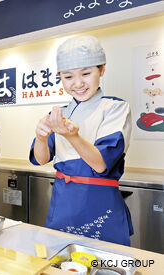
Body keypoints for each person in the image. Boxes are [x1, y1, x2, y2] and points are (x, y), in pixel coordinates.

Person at [29, 35, 133, 245]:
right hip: (63, 202)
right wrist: (41, 137)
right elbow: (41, 160)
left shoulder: (115, 107)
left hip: (99, 202)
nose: (78, 83)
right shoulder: (59, 113)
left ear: (101, 70)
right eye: (68, 77)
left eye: (86, 73)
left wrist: (71, 136)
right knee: (60, 260)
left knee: (104, 263)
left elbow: (101, 163)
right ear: (59, 77)